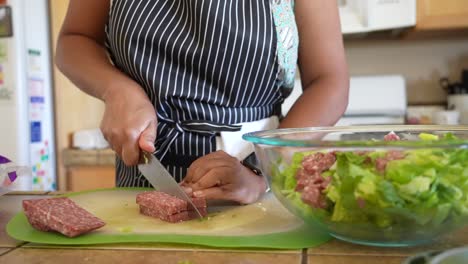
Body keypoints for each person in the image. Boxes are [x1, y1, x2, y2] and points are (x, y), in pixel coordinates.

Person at [56, 0, 349, 204]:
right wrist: (117, 90)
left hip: (259, 177)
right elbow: (75, 38)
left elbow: (329, 81)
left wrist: (263, 170)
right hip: (144, 170)